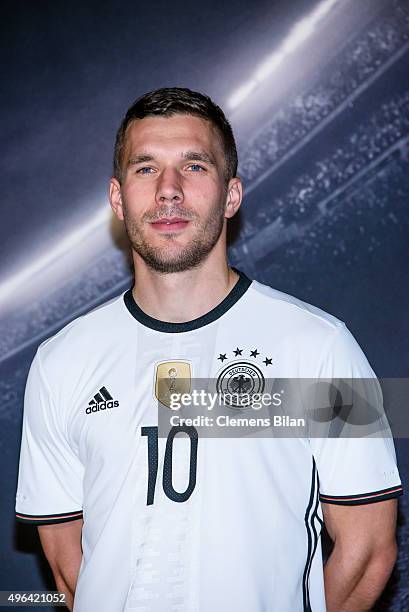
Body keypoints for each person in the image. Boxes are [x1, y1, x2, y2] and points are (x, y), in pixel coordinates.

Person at [15, 87, 403, 612]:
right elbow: (67, 565)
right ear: (116, 197)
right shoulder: (59, 362)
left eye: (194, 167)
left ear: (232, 194)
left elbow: (369, 550)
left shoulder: (321, 345)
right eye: (146, 169)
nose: (169, 190)